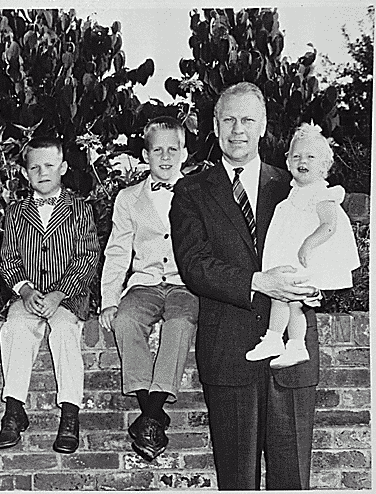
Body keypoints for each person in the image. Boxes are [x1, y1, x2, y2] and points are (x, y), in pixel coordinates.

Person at [170, 82, 320, 490]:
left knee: (293, 481)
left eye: (248, 120)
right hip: (229, 353)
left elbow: (323, 248)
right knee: (237, 482)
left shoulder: (294, 186)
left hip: (292, 353)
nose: (238, 129)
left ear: (264, 126)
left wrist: (316, 285)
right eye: (229, 120)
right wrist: (259, 282)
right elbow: (195, 266)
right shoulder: (190, 191)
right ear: (215, 126)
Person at [99, 116, 198, 461]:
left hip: (186, 285)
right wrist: (109, 300)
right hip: (145, 283)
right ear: (145, 155)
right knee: (126, 321)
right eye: (158, 150)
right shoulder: (128, 198)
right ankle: (153, 414)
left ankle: (150, 416)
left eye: (173, 149)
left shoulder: (199, 192)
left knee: (181, 325)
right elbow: (117, 250)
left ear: (184, 153)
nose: (166, 157)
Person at [0, 136, 100, 454]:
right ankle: (14, 409)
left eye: (50, 165)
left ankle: (70, 413)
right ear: (26, 173)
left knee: (66, 333)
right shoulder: (16, 212)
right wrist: (24, 289)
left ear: (63, 168)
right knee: (15, 329)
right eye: (35, 167)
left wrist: (60, 293)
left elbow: (87, 256)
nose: (43, 172)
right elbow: (8, 256)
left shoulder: (79, 209)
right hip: (27, 294)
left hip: (66, 295)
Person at [247, 123, 360, 368]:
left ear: (324, 166)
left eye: (310, 156)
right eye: (296, 156)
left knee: (294, 302)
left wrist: (309, 244)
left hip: (308, 260)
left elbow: (330, 225)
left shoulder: (322, 194)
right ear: (288, 163)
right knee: (282, 297)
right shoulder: (294, 192)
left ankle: (295, 344)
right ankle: (277, 339)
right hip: (289, 259)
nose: (302, 161)